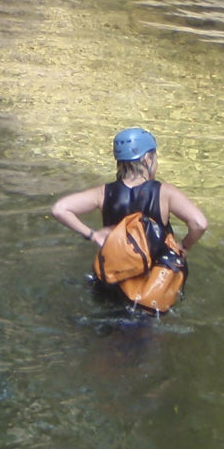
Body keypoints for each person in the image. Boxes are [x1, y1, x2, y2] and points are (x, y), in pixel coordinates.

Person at [51, 127, 208, 311]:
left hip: (115, 277)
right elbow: (199, 223)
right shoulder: (165, 193)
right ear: (147, 159)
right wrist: (185, 246)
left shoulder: (103, 193)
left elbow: (60, 209)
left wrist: (93, 235)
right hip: (152, 283)